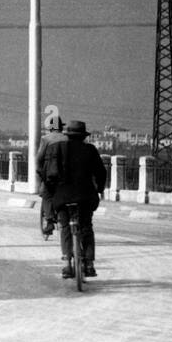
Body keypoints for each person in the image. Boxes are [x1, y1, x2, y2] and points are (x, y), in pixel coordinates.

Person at [39, 119, 106, 278]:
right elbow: (101, 172)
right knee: (86, 227)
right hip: (85, 196)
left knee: (64, 227)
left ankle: (67, 264)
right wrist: (99, 189)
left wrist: (50, 192)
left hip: (62, 196)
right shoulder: (90, 150)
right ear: (83, 136)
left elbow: (47, 172)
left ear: (67, 135)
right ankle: (89, 264)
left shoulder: (56, 148)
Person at [34, 114, 66, 239]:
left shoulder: (46, 139)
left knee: (46, 195)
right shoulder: (67, 138)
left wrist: (40, 172)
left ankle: (50, 220)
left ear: (51, 128)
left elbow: (39, 158)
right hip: (66, 176)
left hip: (51, 175)